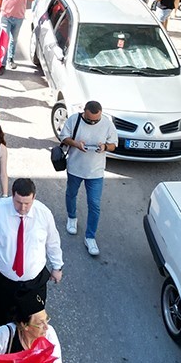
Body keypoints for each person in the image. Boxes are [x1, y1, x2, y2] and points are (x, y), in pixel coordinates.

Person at [0, 178, 63, 331]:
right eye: (18, 202)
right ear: (12, 196)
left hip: (33, 282)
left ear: (34, 198)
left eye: (27, 203)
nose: (23, 208)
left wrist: (57, 266)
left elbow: (52, 241)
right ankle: (0, 352)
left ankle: (27, 352)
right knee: (1, 322)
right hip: (2, 281)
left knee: (33, 324)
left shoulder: (44, 214)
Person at [60, 101, 117, 257]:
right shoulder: (74, 119)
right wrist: (76, 144)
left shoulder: (106, 123)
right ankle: (72, 217)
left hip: (96, 171)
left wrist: (105, 147)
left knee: (94, 204)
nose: (93, 122)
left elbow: (114, 144)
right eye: (90, 119)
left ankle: (90, 237)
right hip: (75, 167)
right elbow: (64, 137)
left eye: (96, 119)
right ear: (84, 111)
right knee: (71, 194)